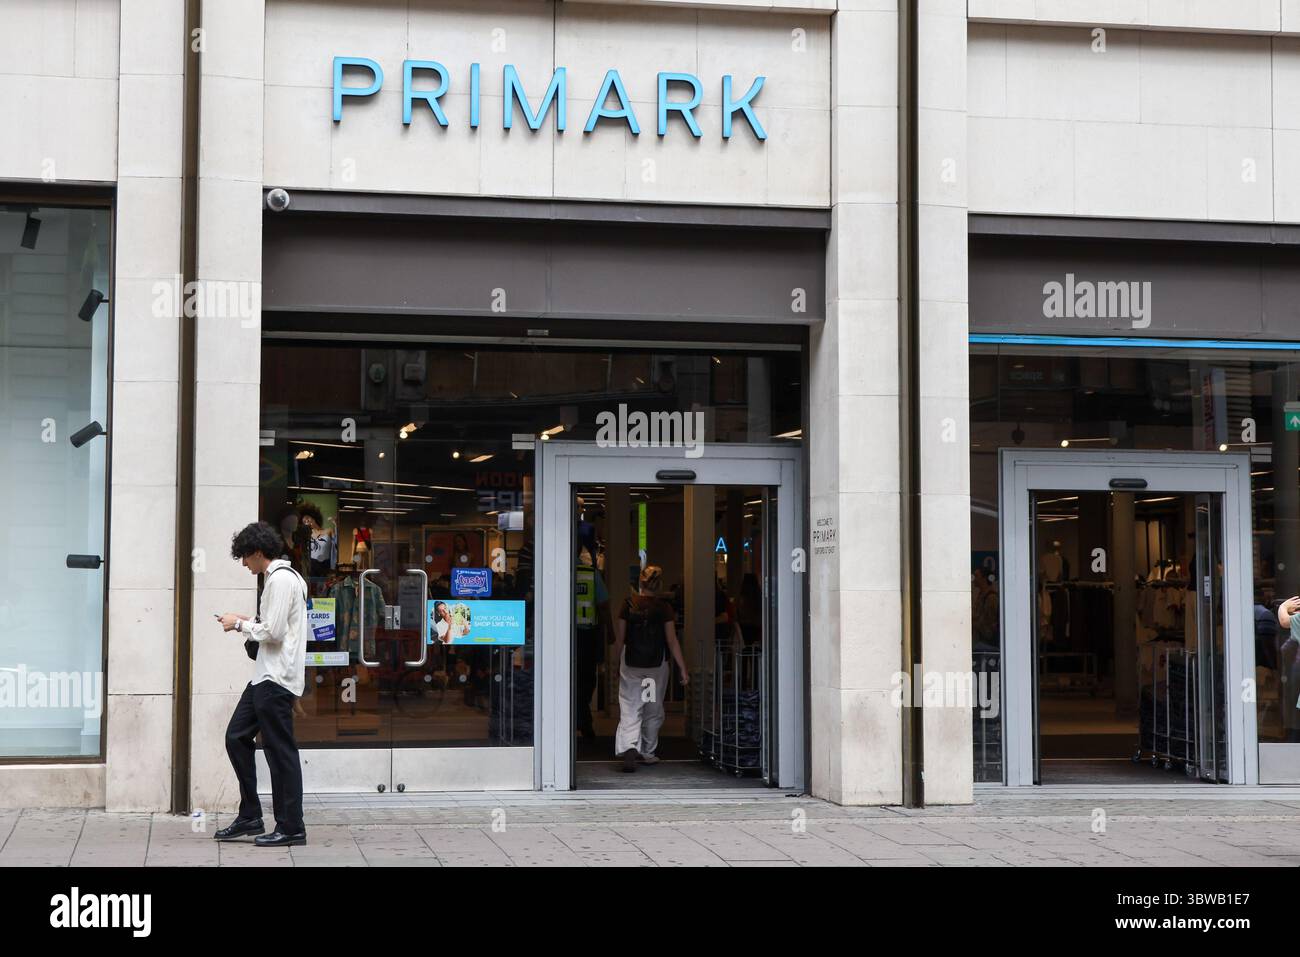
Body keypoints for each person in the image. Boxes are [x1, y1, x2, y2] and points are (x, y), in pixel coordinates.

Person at [215, 521, 311, 847]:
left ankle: (292, 827)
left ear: (257, 552)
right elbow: (273, 624)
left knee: (280, 752)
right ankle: (250, 815)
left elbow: (274, 632)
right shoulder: (277, 579)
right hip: (264, 677)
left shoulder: (281, 580)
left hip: (276, 679)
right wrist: (245, 620)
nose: (244, 564)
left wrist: (239, 625)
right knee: (236, 737)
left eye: (245, 557)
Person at [612, 565, 688, 772]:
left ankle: (629, 745)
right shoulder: (664, 608)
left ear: (640, 583)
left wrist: (614, 663)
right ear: (659, 585)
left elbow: (620, 640)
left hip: (631, 666)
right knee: (651, 708)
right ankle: (647, 751)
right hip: (655, 668)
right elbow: (672, 641)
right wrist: (683, 668)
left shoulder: (627, 604)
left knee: (630, 706)